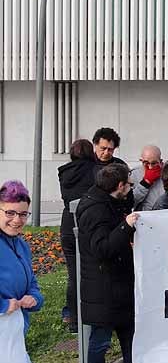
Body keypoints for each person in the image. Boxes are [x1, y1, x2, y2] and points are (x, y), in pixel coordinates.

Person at [76, 163, 140, 363]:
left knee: (129, 337)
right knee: (100, 341)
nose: (131, 189)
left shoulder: (111, 202)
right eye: (129, 185)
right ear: (119, 186)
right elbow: (102, 248)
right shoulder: (95, 209)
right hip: (102, 287)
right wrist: (126, 226)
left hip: (119, 283)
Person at [0, 181, 44, 363]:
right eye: (10, 213)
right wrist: (3, 305)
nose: (17, 220)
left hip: (13, 337)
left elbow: (33, 285)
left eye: (23, 214)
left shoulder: (20, 245)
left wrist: (34, 299)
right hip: (3, 336)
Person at [57, 139, 98, 332]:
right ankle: (91, 317)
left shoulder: (64, 172)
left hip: (67, 223)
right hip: (88, 224)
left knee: (73, 275)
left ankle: (74, 319)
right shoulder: (95, 171)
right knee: (93, 273)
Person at [131, 145, 168, 211]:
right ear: (141, 160)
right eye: (146, 163)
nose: (150, 167)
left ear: (160, 161)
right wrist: (145, 183)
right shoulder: (135, 173)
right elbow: (132, 201)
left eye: (154, 163)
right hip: (145, 214)